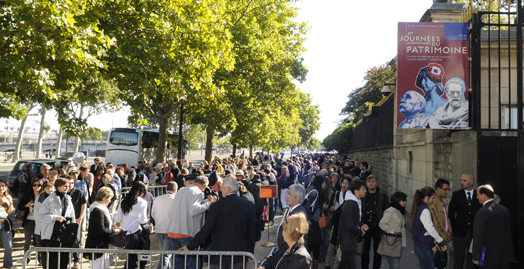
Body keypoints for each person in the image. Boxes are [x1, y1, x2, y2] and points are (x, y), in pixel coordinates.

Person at [180, 177, 257, 269]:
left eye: (222, 187)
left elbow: (206, 229)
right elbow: (252, 231)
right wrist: (250, 252)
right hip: (239, 254)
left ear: (228, 189)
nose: (220, 189)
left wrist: (190, 246)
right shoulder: (248, 205)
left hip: (219, 255)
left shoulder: (216, 207)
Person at [165, 175, 217, 269]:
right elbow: (194, 210)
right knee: (192, 263)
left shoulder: (181, 190)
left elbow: (188, 206)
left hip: (174, 231)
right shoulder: (197, 192)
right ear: (204, 185)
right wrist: (210, 203)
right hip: (187, 232)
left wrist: (205, 202)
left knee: (178, 262)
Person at [35, 177, 76, 269]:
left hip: (65, 233)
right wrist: (55, 218)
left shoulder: (68, 198)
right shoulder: (50, 199)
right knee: (52, 261)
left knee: (64, 260)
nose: (67, 188)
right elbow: (40, 215)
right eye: (65, 186)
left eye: (68, 186)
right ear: (58, 186)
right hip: (52, 234)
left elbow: (72, 215)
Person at [472, 185, 516, 268]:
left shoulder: (482, 212)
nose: (477, 197)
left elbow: (478, 235)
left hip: (488, 256)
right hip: (504, 255)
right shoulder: (505, 210)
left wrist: (476, 256)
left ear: (484, 195)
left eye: (478, 194)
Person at [449, 173, 481, 269]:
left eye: (464, 180)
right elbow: (451, 214)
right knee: (458, 259)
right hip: (459, 233)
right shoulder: (456, 195)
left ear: (472, 182)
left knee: (472, 259)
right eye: (461, 180)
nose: (461, 182)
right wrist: (453, 230)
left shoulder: (478, 195)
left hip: (473, 233)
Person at [114, 181, 149, 269]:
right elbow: (142, 220)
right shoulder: (142, 202)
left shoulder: (123, 200)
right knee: (134, 257)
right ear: (141, 191)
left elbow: (118, 217)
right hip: (136, 231)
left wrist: (118, 228)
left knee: (130, 256)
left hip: (125, 231)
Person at [85, 187, 121, 269]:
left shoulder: (99, 209)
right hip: (97, 246)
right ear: (104, 197)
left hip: (102, 245)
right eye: (109, 198)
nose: (110, 201)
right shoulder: (98, 211)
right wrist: (113, 230)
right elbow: (101, 230)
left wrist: (112, 228)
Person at [412, 186, 446, 269]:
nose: (433, 200)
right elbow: (430, 229)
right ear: (427, 197)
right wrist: (440, 241)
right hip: (424, 246)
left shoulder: (418, 207)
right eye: (432, 198)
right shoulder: (424, 210)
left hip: (420, 245)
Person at [338, 179, 368, 269]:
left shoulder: (354, 202)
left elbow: (353, 220)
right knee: (350, 265)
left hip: (349, 241)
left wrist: (361, 224)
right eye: (363, 189)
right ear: (356, 191)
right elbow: (349, 225)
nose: (365, 191)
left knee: (344, 265)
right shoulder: (351, 204)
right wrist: (360, 232)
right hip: (347, 241)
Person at [361, 175, 389, 269]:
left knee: (378, 252)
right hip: (365, 226)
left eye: (373, 181)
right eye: (369, 182)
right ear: (366, 183)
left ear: (376, 183)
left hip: (378, 227)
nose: (371, 183)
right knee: (365, 251)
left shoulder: (382, 196)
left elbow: (386, 210)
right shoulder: (363, 196)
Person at [151, 181, 178, 269]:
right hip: (170, 229)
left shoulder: (157, 199)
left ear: (166, 189)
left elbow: (153, 214)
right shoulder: (176, 200)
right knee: (166, 254)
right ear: (175, 190)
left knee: (164, 252)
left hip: (159, 228)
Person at [378, 192, 407, 269]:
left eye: (406, 200)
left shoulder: (399, 210)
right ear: (397, 200)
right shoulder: (390, 211)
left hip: (398, 241)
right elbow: (382, 224)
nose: (405, 202)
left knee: (395, 264)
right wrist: (392, 231)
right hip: (391, 241)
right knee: (394, 265)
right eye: (403, 200)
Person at [276, 184, 309, 249]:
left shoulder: (298, 215)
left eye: (289, 194)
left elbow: (295, 240)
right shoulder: (296, 210)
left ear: (297, 198)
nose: (286, 196)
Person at [17, 178, 43, 258]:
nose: (36, 187)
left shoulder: (43, 196)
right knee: (27, 241)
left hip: (39, 221)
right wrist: (26, 205)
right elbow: (20, 206)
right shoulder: (28, 195)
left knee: (39, 241)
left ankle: (40, 259)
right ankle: (27, 258)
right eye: (34, 185)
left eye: (38, 185)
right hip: (28, 220)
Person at [304, 174, 325, 269]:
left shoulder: (313, 190)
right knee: (314, 245)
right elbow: (307, 206)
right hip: (313, 222)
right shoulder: (315, 192)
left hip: (313, 222)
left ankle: (311, 265)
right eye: (324, 182)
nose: (325, 184)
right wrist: (308, 219)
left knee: (313, 245)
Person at [428, 179, 452, 244]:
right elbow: (436, 222)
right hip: (438, 238)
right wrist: (445, 234)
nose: (447, 192)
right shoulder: (433, 201)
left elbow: (446, 218)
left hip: (442, 237)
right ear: (438, 189)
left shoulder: (441, 201)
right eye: (445, 190)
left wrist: (449, 231)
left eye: (448, 190)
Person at [0, 179, 14, 269]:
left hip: (4, 222)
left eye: (2, 186)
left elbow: (9, 212)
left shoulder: (8, 197)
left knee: (9, 245)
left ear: (5, 188)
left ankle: (8, 265)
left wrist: (10, 202)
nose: (1, 188)